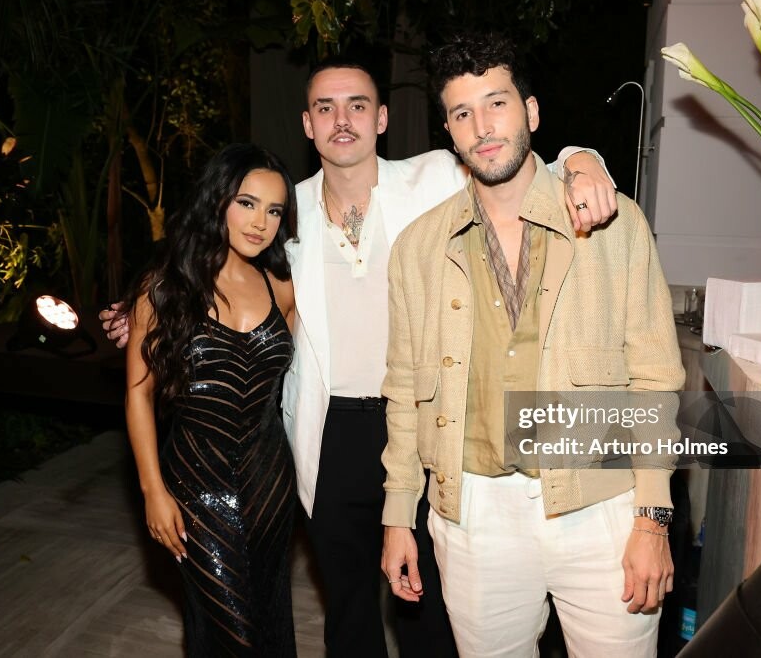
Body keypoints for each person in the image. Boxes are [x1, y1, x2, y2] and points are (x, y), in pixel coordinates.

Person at [106, 58, 617, 658]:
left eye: (357, 105)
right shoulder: (283, 211)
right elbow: (215, 273)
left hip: (425, 427)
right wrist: (148, 313)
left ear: (382, 119)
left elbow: (518, 165)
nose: (341, 119)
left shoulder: (434, 177)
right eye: (325, 108)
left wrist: (583, 160)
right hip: (329, 431)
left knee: (430, 605)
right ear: (307, 124)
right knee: (348, 609)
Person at [379, 33, 686, 658]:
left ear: (532, 112)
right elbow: (405, 390)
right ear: (449, 131)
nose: (482, 127)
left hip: (600, 506)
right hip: (473, 517)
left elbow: (655, 379)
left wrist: (653, 519)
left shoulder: (613, 225)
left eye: (497, 103)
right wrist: (397, 514)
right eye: (462, 113)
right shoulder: (418, 249)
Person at [124, 143, 298, 657]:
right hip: (195, 486)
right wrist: (152, 491)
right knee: (229, 629)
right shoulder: (165, 286)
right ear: (217, 200)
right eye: (247, 203)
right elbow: (138, 395)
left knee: (267, 618)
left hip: (271, 483)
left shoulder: (282, 285)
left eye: (274, 211)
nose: (260, 222)